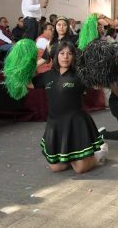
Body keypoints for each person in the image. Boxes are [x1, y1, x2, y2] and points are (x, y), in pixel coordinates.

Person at [28, 41, 107, 173]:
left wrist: (101, 68)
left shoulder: (80, 75)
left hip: (76, 123)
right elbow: (28, 83)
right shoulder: (48, 75)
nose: (65, 57)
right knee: (56, 167)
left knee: (80, 169)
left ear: (73, 57)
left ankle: (101, 153)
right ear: (56, 56)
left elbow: (98, 85)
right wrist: (37, 61)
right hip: (56, 124)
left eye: (69, 53)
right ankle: (73, 157)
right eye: (62, 53)